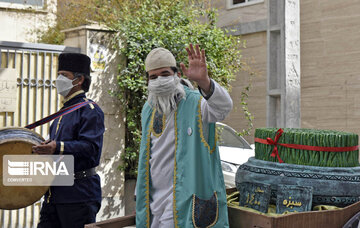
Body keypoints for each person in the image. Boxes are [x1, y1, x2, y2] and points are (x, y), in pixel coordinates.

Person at [136, 44, 232, 227]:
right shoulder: (148, 109)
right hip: (154, 203)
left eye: (164, 74)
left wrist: (204, 82)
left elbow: (223, 107)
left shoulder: (197, 103)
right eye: (153, 77)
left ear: (176, 75)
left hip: (185, 200)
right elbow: (147, 158)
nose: (159, 80)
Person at [32, 53, 105, 228]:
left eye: (64, 75)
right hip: (54, 195)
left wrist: (57, 146)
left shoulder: (89, 110)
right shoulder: (64, 112)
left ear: (79, 80)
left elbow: (91, 148)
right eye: (58, 74)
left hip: (79, 195)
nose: (58, 79)